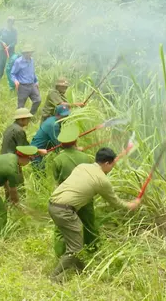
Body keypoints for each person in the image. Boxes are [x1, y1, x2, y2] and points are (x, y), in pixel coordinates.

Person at [48, 147, 141, 282]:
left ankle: (80, 268)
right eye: (112, 165)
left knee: (75, 239)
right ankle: (54, 277)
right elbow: (115, 202)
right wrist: (131, 205)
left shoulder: (82, 166)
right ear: (107, 163)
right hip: (64, 210)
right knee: (75, 247)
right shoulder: (102, 180)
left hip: (53, 204)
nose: (112, 168)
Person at [50, 126, 97, 257]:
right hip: (84, 196)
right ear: (76, 141)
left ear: (61, 144)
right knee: (89, 223)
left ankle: (60, 255)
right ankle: (93, 250)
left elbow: (57, 180)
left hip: (65, 200)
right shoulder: (85, 157)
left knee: (60, 229)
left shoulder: (57, 160)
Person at [30, 104, 70, 169]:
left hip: (40, 149)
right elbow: (58, 143)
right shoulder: (54, 125)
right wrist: (72, 149)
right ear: (58, 115)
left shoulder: (52, 119)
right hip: (37, 151)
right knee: (40, 174)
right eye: (64, 116)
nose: (66, 117)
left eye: (67, 115)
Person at [10, 44, 41, 115]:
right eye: (27, 52)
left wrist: (36, 81)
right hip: (23, 86)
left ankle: (31, 115)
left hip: (32, 85)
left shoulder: (32, 60)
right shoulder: (18, 62)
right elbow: (12, 73)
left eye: (30, 52)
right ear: (23, 53)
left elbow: (32, 72)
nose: (29, 54)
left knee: (38, 100)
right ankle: (19, 120)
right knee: (21, 106)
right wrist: (15, 81)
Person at [0, 16, 17, 81]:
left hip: (11, 50)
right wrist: (2, 42)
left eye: (13, 22)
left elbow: (15, 41)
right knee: (2, 63)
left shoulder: (14, 31)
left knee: (11, 63)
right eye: (10, 22)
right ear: (7, 22)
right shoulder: (2, 30)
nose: (11, 24)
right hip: (2, 50)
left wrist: (10, 46)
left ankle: (11, 79)